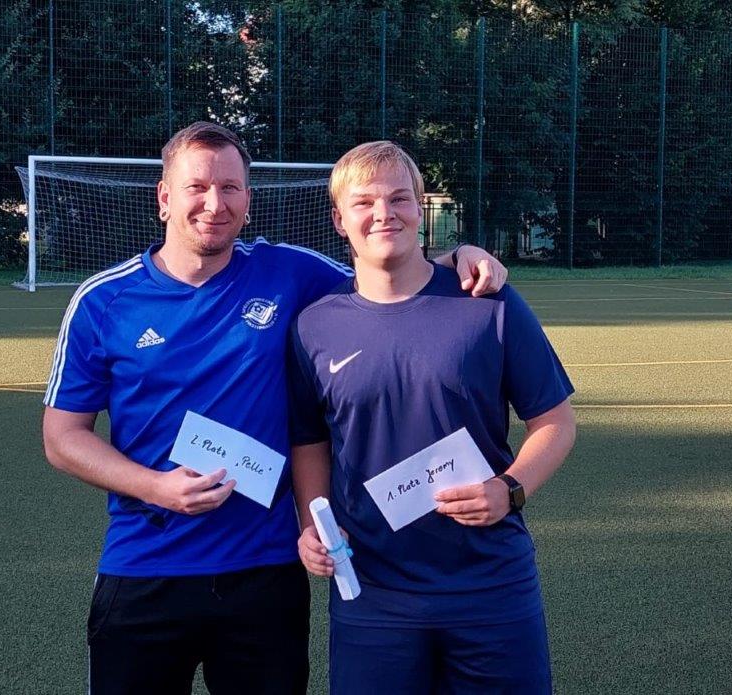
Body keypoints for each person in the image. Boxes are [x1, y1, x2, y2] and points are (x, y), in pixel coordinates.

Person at [40, 122, 510, 694]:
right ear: (164, 197)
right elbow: (62, 437)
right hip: (145, 567)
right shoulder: (102, 300)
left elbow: (385, 271)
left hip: (264, 574)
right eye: (197, 188)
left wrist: (456, 254)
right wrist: (155, 487)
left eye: (230, 188)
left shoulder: (290, 273)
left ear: (248, 199)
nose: (215, 204)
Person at [288, 141, 577, 694]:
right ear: (339, 219)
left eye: (399, 198)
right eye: (364, 202)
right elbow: (309, 441)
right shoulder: (313, 327)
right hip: (373, 594)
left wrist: (510, 489)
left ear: (420, 209)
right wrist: (311, 524)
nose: (383, 213)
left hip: (490, 585)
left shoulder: (489, 303)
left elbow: (556, 422)